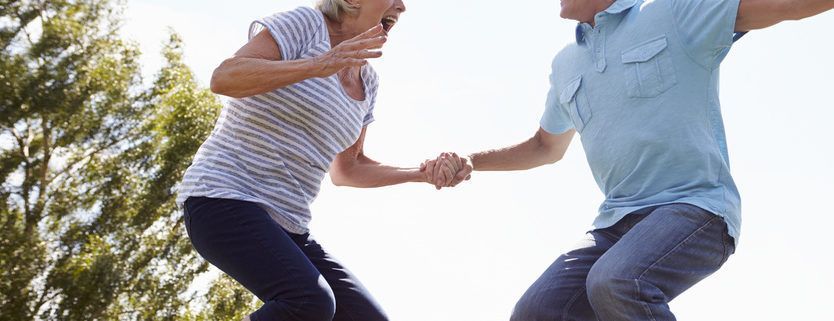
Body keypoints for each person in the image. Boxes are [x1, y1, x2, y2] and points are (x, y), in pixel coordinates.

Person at [425, 0, 834, 320]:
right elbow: (544, 147)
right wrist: (471, 160)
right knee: (537, 311)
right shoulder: (566, 64)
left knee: (616, 280)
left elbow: (786, 6)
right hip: (615, 224)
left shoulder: (674, 14)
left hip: (696, 208)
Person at [175, 1, 457, 320]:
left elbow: (349, 169)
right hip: (221, 198)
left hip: (289, 224)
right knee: (309, 302)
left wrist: (420, 174)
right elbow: (224, 77)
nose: (402, 6)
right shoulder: (307, 25)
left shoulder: (368, 81)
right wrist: (318, 65)